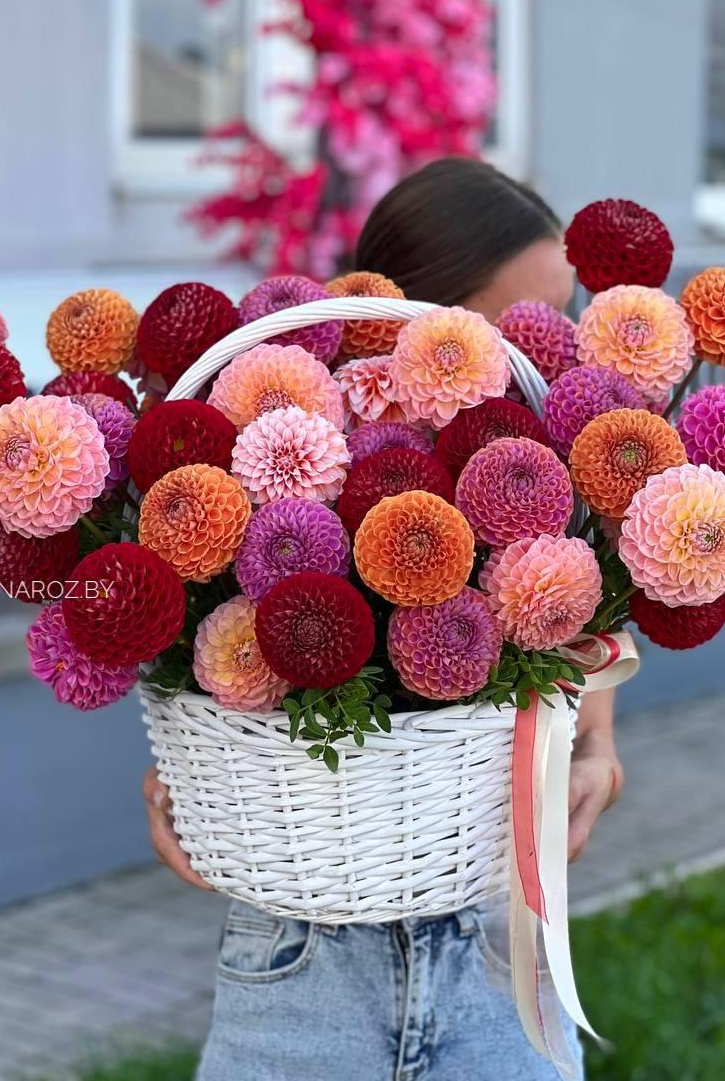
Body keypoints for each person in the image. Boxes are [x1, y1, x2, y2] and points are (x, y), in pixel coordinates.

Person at [143, 157, 622, 1080]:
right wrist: (178, 780)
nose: (550, 346)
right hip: (301, 971)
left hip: (496, 960)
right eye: (517, 325)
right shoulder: (284, 496)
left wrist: (596, 770)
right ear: (421, 331)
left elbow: (592, 733)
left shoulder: (550, 509)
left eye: (560, 316)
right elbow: (213, 678)